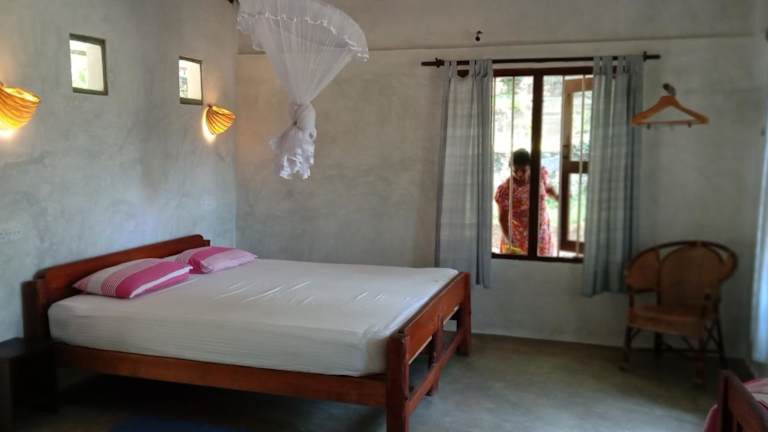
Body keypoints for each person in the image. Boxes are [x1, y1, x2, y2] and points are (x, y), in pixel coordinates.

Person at [494, 149, 558, 256]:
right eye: (515, 170)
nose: (519, 174)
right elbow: (502, 219)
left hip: (541, 231)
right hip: (518, 236)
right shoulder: (505, 190)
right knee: (520, 264)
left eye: (524, 170)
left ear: (531, 167)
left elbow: (547, 187)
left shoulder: (539, 175)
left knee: (543, 261)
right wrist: (510, 241)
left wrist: (557, 196)